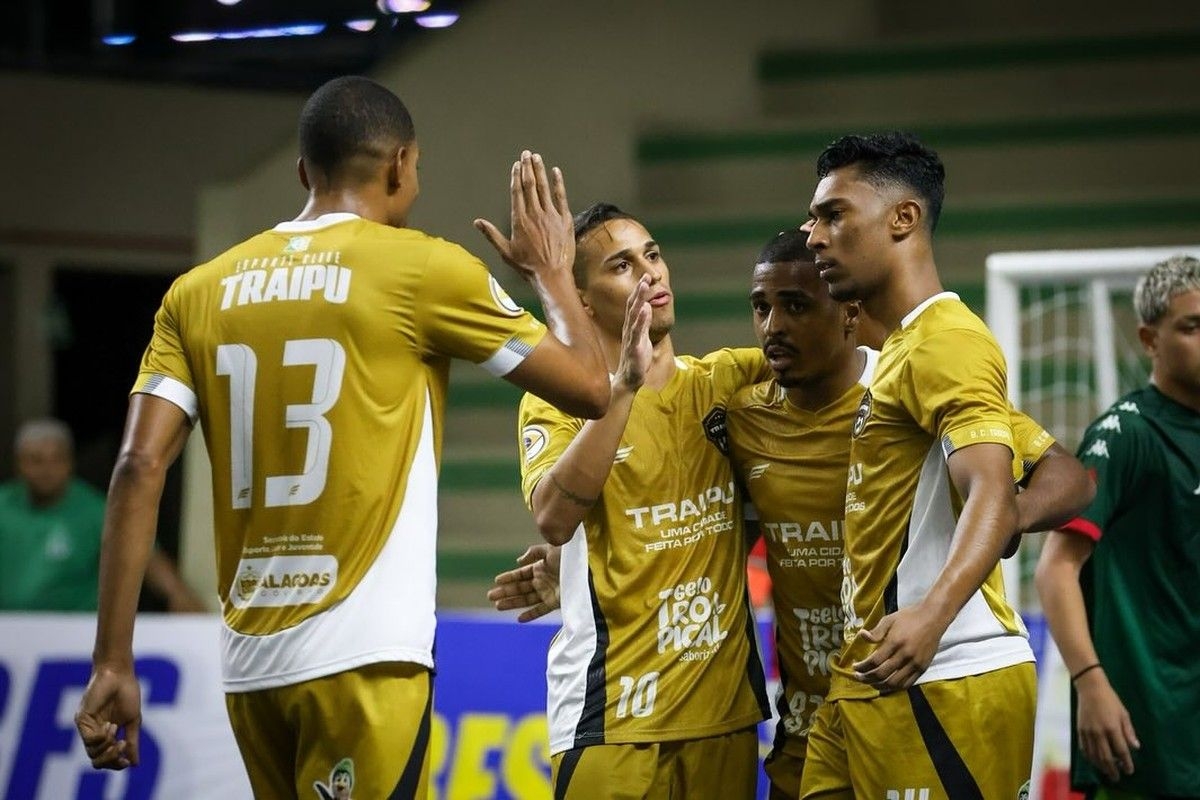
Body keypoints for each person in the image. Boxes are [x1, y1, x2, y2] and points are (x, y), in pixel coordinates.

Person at [73, 75, 611, 799]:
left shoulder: (197, 292)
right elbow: (589, 386)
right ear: (400, 165)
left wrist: (112, 662)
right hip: (364, 660)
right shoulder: (423, 268)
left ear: (303, 171)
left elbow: (139, 465)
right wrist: (550, 272)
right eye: (416, 169)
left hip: (251, 667)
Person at [495, 228, 1092, 799]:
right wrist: (579, 564)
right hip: (809, 720)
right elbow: (705, 510)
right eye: (760, 307)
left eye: (797, 307)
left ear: (848, 314)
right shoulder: (744, 413)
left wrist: (996, 519)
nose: (773, 328)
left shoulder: (908, 386)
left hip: (917, 682)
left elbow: (1067, 477)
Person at [797, 131, 1037, 798]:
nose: (812, 235)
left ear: (903, 218)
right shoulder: (902, 351)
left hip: (945, 670)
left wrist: (930, 617)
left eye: (832, 214)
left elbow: (993, 487)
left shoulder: (948, 342)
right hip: (870, 677)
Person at [515, 201, 772, 799]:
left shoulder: (730, 382)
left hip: (724, 716)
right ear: (581, 300)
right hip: (611, 719)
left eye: (652, 255)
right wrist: (623, 386)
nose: (650, 273)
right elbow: (553, 518)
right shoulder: (555, 401)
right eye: (622, 266)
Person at [1035, 255, 1200, 799]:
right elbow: (1055, 570)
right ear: (1149, 339)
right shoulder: (1125, 434)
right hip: (1143, 726)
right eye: (1192, 326)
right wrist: (1091, 683)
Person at [0, 418, 203, 612]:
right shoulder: (4, 504)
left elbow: (146, 557)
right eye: (36, 461)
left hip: (73, 634)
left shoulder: (97, 510)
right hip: (9, 631)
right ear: (19, 464)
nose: (47, 470)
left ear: (70, 462)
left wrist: (178, 594)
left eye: (57, 459)